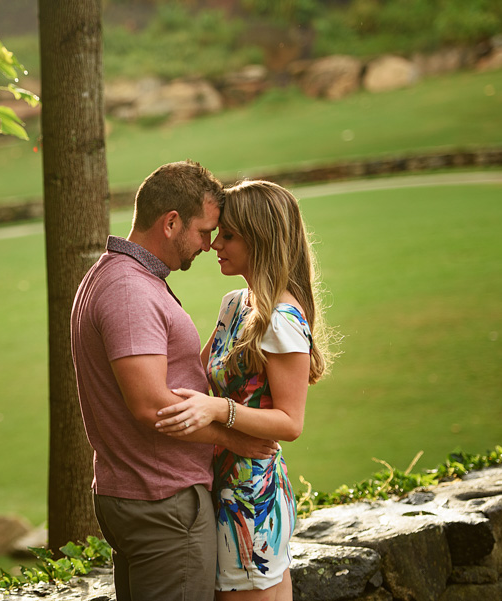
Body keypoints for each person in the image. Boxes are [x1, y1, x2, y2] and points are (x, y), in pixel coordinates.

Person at [71, 161, 278, 601]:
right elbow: (150, 406)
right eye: (205, 232)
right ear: (170, 223)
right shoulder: (131, 292)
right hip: (161, 500)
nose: (210, 245)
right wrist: (233, 438)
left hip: (140, 493)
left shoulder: (116, 275)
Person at [154, 180, 333, 601]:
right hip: (219, 487)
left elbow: (290, 423)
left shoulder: (283, 320)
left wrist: (219, 411)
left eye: (229, 235)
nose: (215, 244)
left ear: (262, 239)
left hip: (253, 502)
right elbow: (196, 377)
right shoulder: (236, 304)